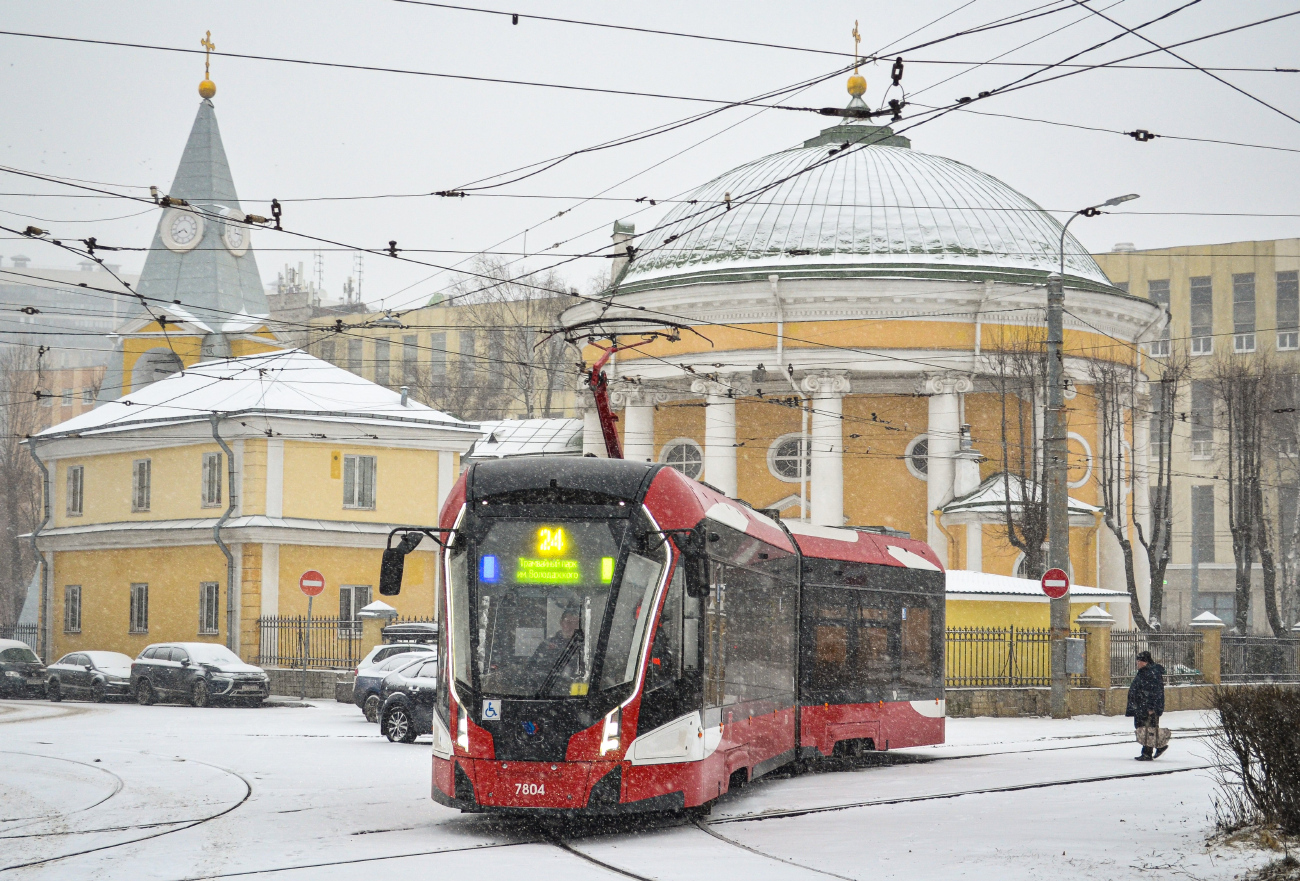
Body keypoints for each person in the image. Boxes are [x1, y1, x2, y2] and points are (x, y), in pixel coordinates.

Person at [1126, 650, 1167, 761]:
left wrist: (1151, 707)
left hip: (1147, 707)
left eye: (1139, 661)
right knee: (1143, 728)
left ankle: (1147, 753)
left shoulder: (1151, 673)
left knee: (1147, 730)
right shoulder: (1144, 672)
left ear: (1145, 662)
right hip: (1141, 706)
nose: (1137, 663)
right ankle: (1160, 745)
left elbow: (1155, 692)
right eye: (1137, 661)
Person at [530, 608, 583, 693]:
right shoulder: (546, 644)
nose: (571, 626)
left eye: (575, 623)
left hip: (574, 693)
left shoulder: (585, 647)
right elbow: (532, 667)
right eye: (568, 622)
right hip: (548, 691)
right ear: (561, 623)